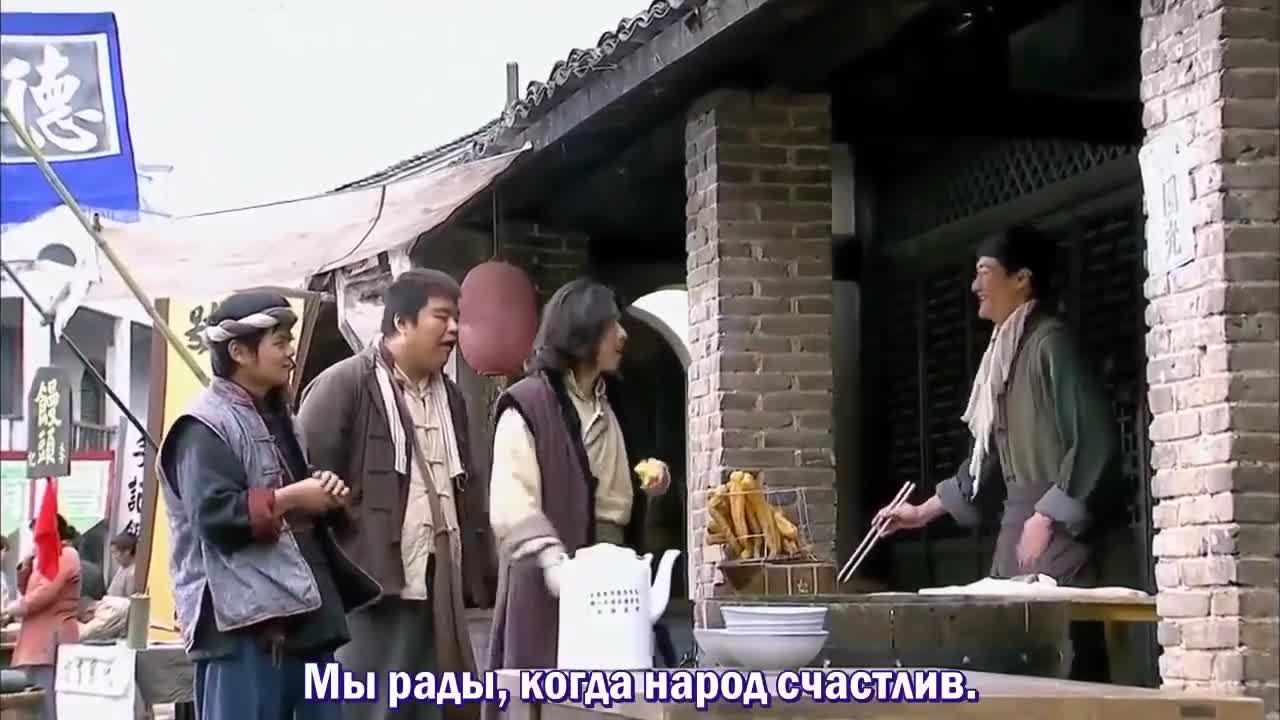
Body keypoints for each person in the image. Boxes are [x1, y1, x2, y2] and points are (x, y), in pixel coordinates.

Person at [874, 224, 1128, 681]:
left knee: (1066, 659)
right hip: (1020, 531)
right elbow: (984, 461)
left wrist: (1046, 516)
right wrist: (921, 513)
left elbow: (1094, 438)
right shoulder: (1006, 353)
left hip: (1057, 534)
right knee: (1015, 660)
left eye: (984, 272)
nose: (975, 285)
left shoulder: (1049, 343)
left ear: (1021, 279)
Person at [157, 291, 379, 720]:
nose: (290, 351)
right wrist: (294, 496)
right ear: (239, 352)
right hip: (245, 631)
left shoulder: (282, 418)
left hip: (307, 619)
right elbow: (215, 518)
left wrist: (324, 493)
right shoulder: (202, 427)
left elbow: (296, 502)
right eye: (279, 342)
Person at [297, 268, 494, 720]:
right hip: (369, 581)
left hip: (439, 575)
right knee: (369, 703)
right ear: (402, 323)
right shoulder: (345, 383)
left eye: (457, 318)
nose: (453, 330)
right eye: (441, 317)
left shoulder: (452, 398)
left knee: (431, 703)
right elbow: (302, 478)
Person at [485, 278, 672, 688]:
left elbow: (615, 472)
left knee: (618, 694)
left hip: (614, 567)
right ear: (583, 330)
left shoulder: (615, 400)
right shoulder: (527, 404)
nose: (622, 335)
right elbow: (512, 498)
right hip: (547, 573)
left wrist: (652, 477)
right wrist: (554, 562)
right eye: (611, 325)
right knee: (549, 693)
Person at [2, 513, 81, 720]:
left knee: (48, 700)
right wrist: (28, 562)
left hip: (53, 637)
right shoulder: (43, 557)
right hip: (35, 638)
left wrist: (11, 609)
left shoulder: (67, 555)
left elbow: (43, 594)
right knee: (35, 700)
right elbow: (26, 589)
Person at [106, 532, 138, 597]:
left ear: (127, 551)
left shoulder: (132, 573)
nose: (114, 556)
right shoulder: (122, 568)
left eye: (115, 552)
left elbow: (130, 599)